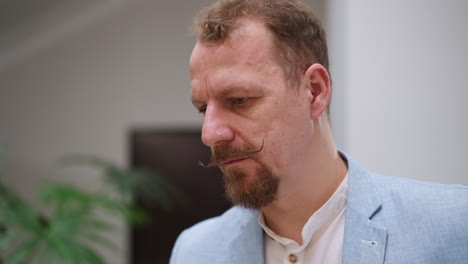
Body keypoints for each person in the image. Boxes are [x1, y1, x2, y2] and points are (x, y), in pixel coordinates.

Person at [170, 0, 468, 263]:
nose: (209, 135)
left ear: (314, 91)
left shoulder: (454, 224)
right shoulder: (195, 251)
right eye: (202, 109)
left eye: (239, 100)